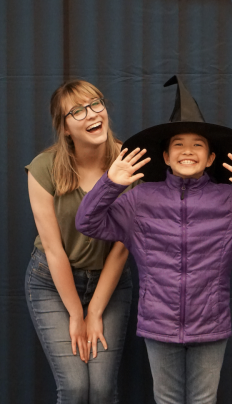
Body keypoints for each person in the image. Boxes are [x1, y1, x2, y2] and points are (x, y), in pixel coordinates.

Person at [75, 76, 232, 404]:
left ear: (209, 158)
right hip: (158, 324)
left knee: (203, 401)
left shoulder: (229, 202)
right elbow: (87, 222)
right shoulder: (140, 200)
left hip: (210, 324)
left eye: (198, 145)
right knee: (167, 400)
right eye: (178, 144)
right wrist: (110, 183)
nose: (187, 151)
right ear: (165, 156)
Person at [25, 80, 134, 404]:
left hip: (109, 281)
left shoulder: (129, 165)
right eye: (77, 111)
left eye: (95, 103)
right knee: (74, 389)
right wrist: (76, 313)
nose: (91, 114)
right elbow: (54, 249)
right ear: (65, 128)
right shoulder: (43, 168)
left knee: (100, 391)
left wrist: (96, 310)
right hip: (52, 281)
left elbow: (122, 248)